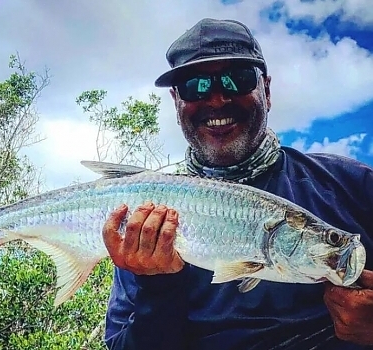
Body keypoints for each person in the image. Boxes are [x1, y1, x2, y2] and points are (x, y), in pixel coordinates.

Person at [101, 18, 373, 349]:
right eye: (195, 85)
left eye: (237, 80)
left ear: (267, 91)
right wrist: (156, 290)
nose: (216, 99)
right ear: (176, 101)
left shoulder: (353, 184)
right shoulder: (148, 219)